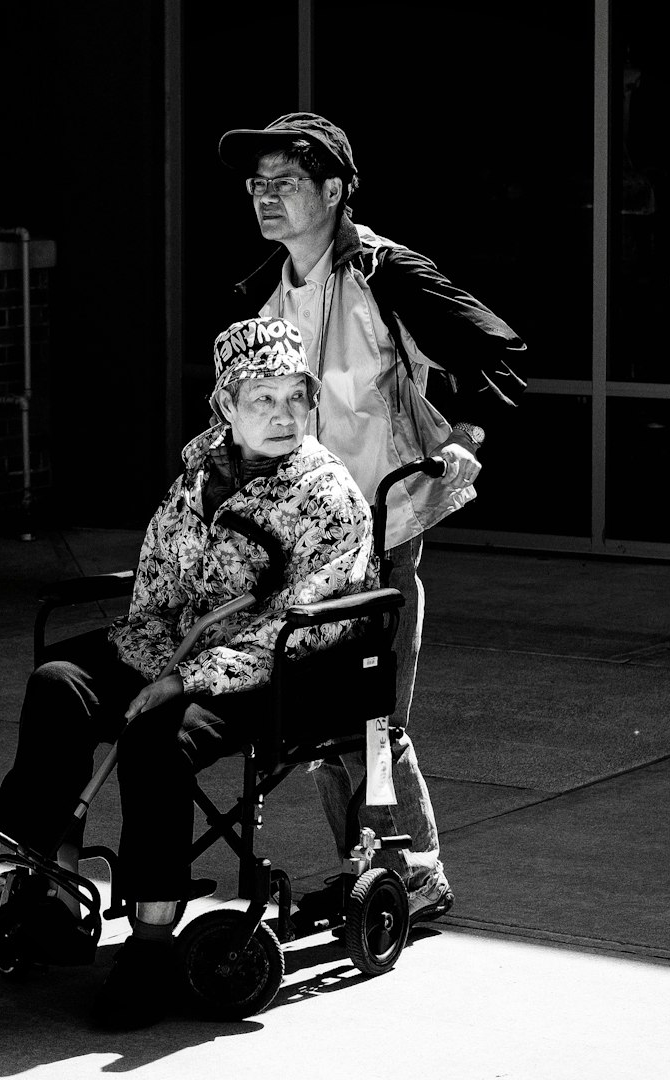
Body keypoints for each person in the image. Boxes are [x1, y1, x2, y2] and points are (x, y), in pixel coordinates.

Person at [0, 316, 378, 1029]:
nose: (285, 414)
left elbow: (311, 621)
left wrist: (186, 679)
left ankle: (151, 947)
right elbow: (157, 596)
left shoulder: (326, 493)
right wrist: (148, 660)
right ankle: (41, 893)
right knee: (58, 683)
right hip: (183, 648)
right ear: (225, 404)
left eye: (297, 396)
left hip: (276, 674)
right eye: (264, 399)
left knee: (155, 736)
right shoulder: (196, 479)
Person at [216, 113, 527, 924]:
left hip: (384, 523)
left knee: (370, 716)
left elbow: (492, 356)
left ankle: (411, 868)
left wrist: (463, 438)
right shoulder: (264, 294)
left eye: (286, 182)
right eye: (257, 184)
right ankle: (370, 869)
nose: (267, 197)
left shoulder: (386, 273)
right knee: (318, 720)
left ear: (334, 191)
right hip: (303, 537)